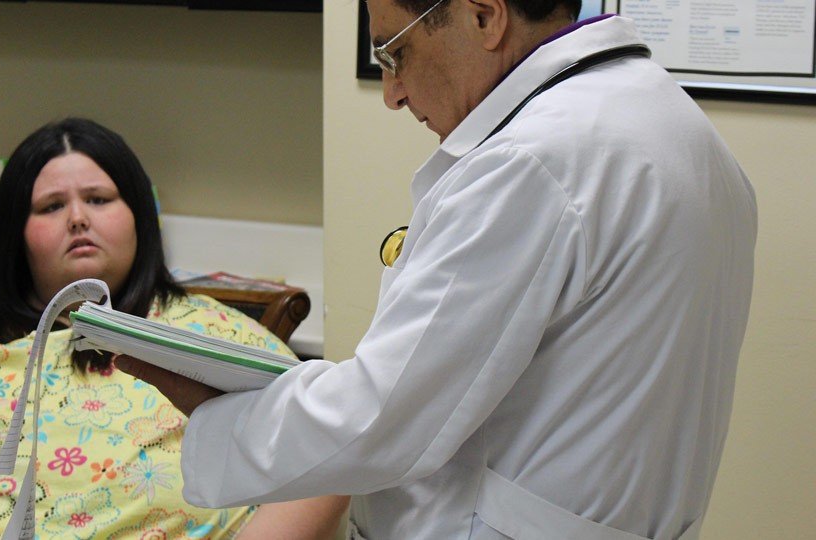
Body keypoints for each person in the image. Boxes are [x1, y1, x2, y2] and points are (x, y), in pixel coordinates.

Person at [116, 1, 758, 539]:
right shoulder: (677, 126)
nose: (392, 94)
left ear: (484, 16)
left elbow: (384, 417)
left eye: (395, 52)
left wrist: (220, 413)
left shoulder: (532, 163)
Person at [0, 118, 348, 539]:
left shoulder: (212, 334)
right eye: (51, 206)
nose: (77, 218)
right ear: (14, 232)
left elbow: (325, 459)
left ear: (139, 218)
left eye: (98, 199)